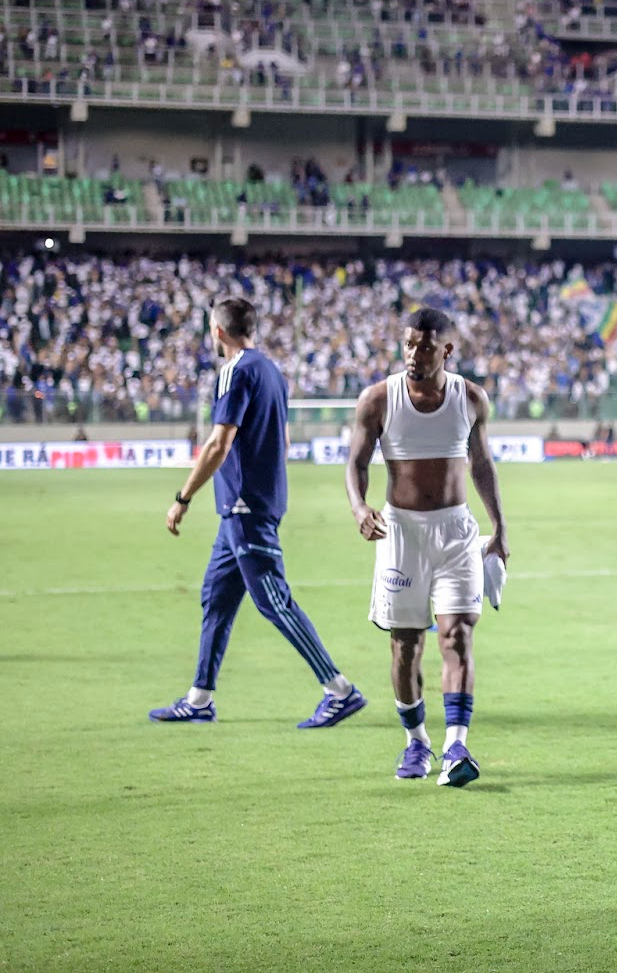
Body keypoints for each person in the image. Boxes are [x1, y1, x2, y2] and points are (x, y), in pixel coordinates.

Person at [153, 297, 366, 727]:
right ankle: (199, 698)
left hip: (244, 506)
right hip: (246, 506)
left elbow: (218, 443)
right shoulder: (270, 369)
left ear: (217, 331)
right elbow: (282, 441)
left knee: (273, 601)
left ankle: (339, 689)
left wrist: (183, 497)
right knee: (216, 599)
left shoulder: (235, 371)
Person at [345, 308, 510, 786]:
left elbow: (482, 465)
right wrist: (359, 508)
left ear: (447, 350)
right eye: (408, 344)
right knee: (406, 647)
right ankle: (416, 741)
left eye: (424, 345)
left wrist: (499, 526)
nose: (414, 353)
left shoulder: (470, 398)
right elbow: (356, 463)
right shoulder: (378, 399)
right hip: (401, 534)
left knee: (457, 636)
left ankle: (456, 745)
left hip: (456, 532)